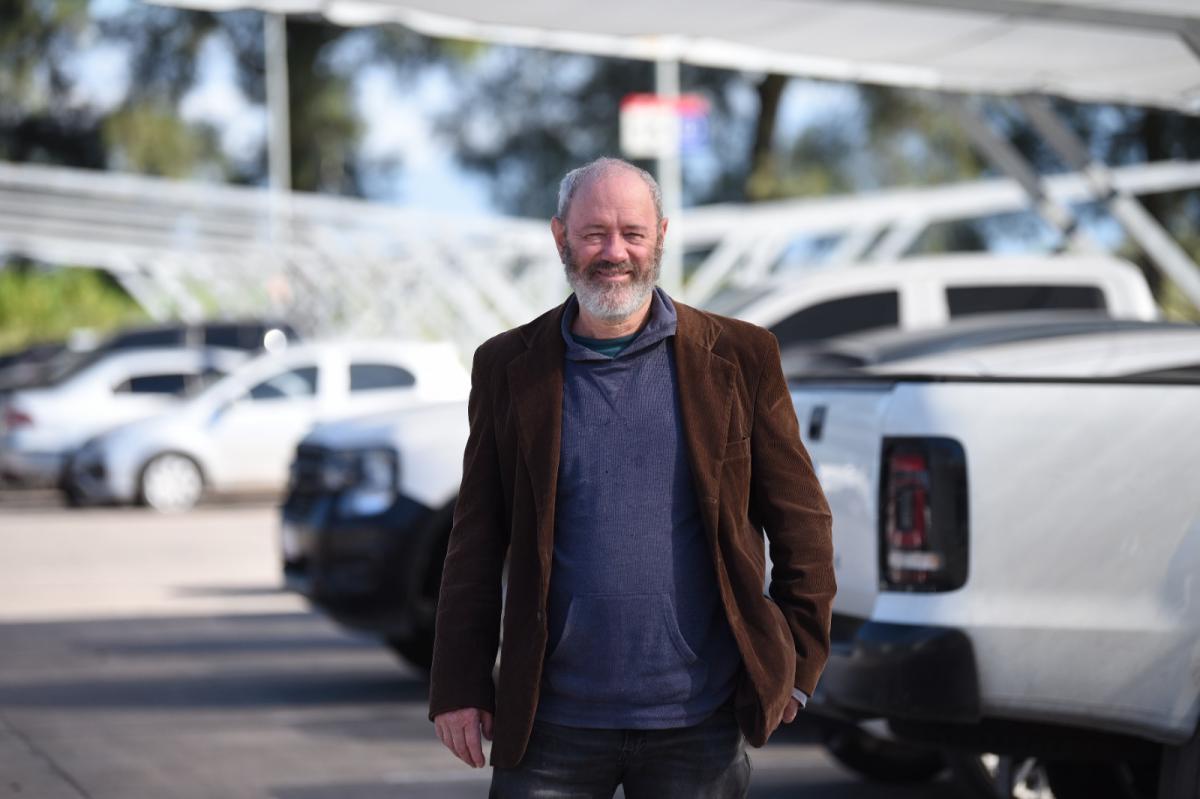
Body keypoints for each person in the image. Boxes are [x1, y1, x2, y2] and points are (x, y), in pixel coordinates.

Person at [430, 156, 835, 798]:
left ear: (661, 237)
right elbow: (475, 542)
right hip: (549, 723)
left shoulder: (739, 357)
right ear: (561, 238)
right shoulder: (509, 365)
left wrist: (798, 664)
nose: (613, 252)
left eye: (632, 233)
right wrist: (458, 685)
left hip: (698, 722)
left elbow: (802, 524)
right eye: (593, 234)